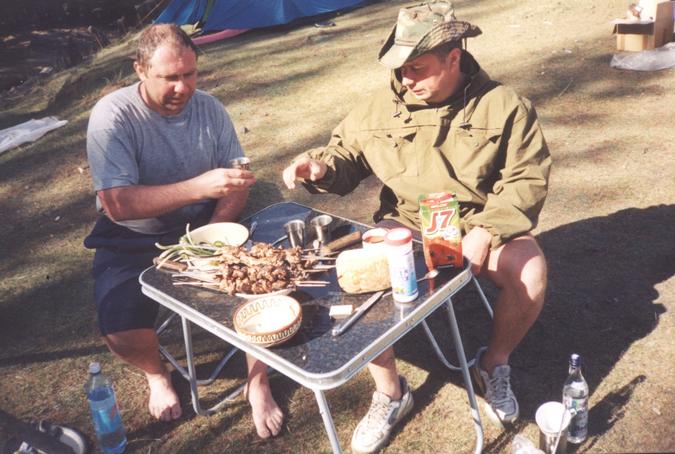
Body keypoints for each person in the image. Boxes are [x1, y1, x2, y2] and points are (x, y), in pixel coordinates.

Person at [281, 2, 551, 452]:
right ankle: (391, 392)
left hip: (476, 221)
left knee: (531, 272)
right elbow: (343, 157)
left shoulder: (506, 107)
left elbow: (526, 180)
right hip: (409, 221)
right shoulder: (378, 108)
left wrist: (486, 229)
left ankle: (493, 364)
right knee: (360, 280)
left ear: (454, 57)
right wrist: (319, 169)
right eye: (400, 69)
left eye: (417, 68)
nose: (406, 79)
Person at [84, 24, 257, 424]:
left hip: (203, 225)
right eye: (170, 78)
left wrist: (214, 231)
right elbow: (118, 204)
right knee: (121, 331)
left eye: (190, 75)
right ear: (140, 70)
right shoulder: (114, 114)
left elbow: (237, 176)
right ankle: (157, 375)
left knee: (259, 289)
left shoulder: (210, 107)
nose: (183, 88)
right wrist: (199, 187)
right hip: (133, 234)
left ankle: (259, 379)